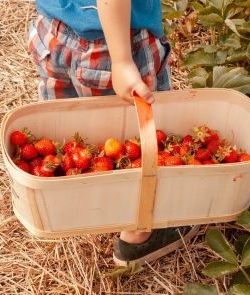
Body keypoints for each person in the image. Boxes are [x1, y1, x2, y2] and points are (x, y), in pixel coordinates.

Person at [27, 0, 199, 266]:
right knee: (141, 139)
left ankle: (73, 195)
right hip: (114, 41)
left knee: (72, 130)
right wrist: (122, 60)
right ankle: (140, 233)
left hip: (54, 32)